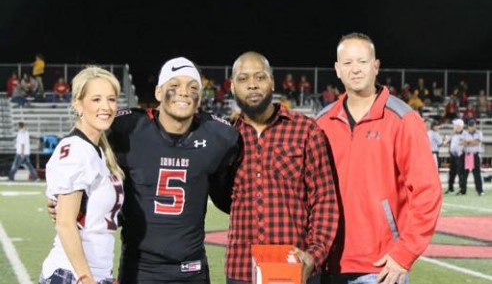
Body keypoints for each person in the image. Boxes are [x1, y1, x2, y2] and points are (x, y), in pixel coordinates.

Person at [316, 33, 442, 284]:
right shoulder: (321, 122)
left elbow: (428, 192)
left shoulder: (403, 119)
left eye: (362, 62)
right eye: (348, 63)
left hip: (380, 268)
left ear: (376, 66)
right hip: (326, 264)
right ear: (337, 70)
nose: (355, 69)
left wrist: (404, 254)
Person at [110, 57, 241, 283]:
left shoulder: (219, 135)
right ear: (159, 93)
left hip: (191, 269)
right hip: (139, 269)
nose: (184, 92)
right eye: (174, 85)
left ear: (199, 97)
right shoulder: (129, 128)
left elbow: (232, 190)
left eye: (193, 87)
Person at [225, 52, 339, 284]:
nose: (253, 85)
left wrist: (314, 255)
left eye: (260, 77)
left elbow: (325, 199)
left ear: (272, 82)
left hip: (295, 268)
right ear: (233, 87)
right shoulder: (225, 135)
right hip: (241, 270)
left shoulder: (306, 130)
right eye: (243, 79)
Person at [40, 66, 124, 284]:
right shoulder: (76, 149)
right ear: (78, 104)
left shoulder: (99, 150)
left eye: (111, 99)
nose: (106, 106)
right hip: (72, 275)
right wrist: (85, 277)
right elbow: (65, 224)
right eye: (96, 99)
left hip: (94, 273)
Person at [459, 119, 485, 196]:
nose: (471, 127)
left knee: (477, 174)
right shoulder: (465, 133)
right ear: (468, 126)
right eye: (470, 126)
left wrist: (467, 142)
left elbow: (476, 143)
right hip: (467, 155)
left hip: (475, 155)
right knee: (464, 174)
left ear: (475, 126)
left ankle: (480, 190)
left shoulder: (479, 133)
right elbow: (461, 142)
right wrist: (471, 142)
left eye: (472, 125)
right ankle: (463, 190)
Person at [446, 119, 465, 194]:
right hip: (453, 155)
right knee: (451, 173)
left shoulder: (464, 134)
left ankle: (461, 188)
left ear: (459, 126)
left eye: (455, 125)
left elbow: (463, 144)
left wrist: (461, 151)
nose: (454, 127)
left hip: (459, 156)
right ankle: (450, 188)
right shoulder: (453, 134)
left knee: (460, 172)